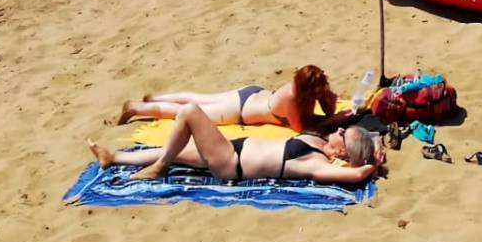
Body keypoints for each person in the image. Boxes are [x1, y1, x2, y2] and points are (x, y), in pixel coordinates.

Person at [91, 106, 380, 187]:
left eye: (344, 135)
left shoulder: (315, 164)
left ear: (342, 152)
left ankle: (160, 167)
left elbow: (355, 174)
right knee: (178, 149)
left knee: (189, 113)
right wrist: (374, 146)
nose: (339, 131)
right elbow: (337, 126)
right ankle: (113, 157)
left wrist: (372, 165)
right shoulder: (319, 140)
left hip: (232, 164)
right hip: (236, 149)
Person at [116, 65, 350, 133]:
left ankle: (155, 97)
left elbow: (325, 112)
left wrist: (328, 102)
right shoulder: (292, 98)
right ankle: (137, 108)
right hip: (239, 111)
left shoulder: (302, 87)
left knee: (199, 99)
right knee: (188, 111)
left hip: (251, 94)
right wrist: (333, 119)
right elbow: (301, 128)